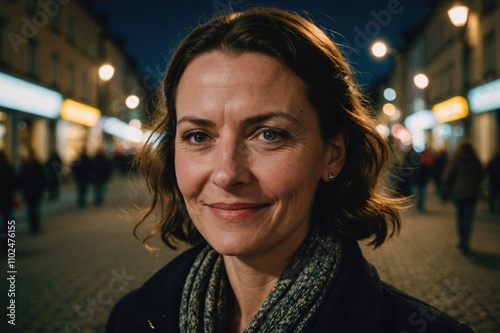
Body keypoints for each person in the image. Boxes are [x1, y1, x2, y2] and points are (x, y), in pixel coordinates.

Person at [106, 8, 474, 333]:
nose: (226, 173)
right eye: (199, 135)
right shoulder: (135, 317)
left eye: (269, 134)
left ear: (333, 153)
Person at [443, 141, 484, 254]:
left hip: (459, 193)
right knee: (469, 218)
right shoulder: (475, 160)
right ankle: (466, 241)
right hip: (472, 193)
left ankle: (462, 241)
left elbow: (447, 176)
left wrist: (451, 187)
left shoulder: (456, 159)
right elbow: (481, 175)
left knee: (460, 217)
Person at [19, 149, 47, 234]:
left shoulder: (25, 166)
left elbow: (21, 179)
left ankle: (32, 226)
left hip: (28, 191)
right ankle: (36, 226)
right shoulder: (38, 165)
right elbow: (43, 178)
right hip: (36, 191)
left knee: (30, 209)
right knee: (35, 209)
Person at [0, 151, 17, 250]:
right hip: (6, 198)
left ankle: (3, 241)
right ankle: (9, 241)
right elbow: (14, 181)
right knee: (8, 220)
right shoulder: (7, 166)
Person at [485, 149, 500, 214]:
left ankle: (492, 208)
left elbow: (487, 170)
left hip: (493, 181)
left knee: (493, 195)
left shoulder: (492, 160)